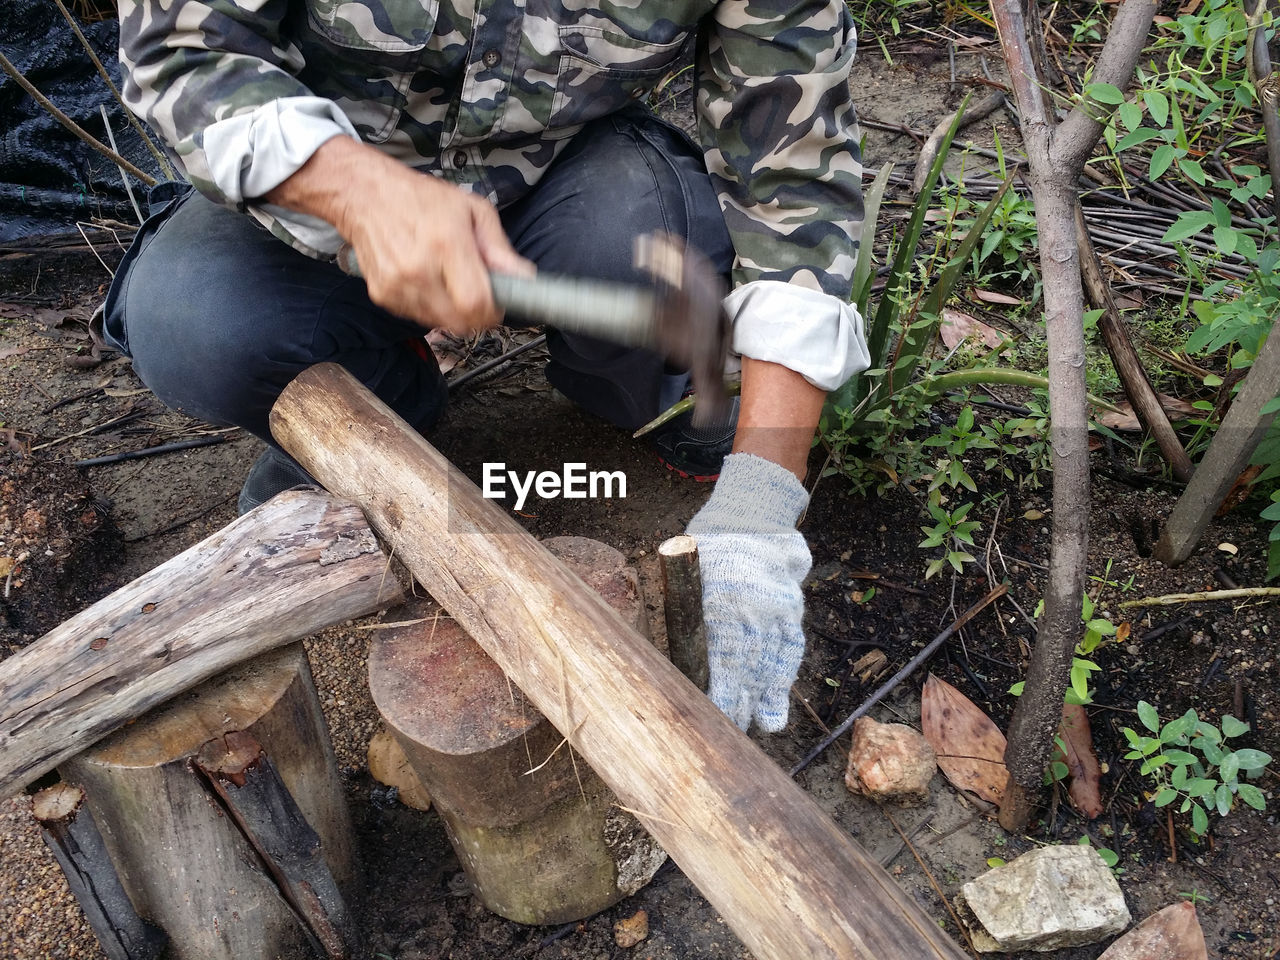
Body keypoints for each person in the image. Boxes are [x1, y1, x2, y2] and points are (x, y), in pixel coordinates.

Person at [105, 0, 870, 733]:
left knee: (658, 253)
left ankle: (636, 386)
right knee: (195, 320)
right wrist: (356, 190)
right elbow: (182, 52)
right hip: (314, 188)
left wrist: (763, 502)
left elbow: (793, 186)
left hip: (560, 174)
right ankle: (380, 390)